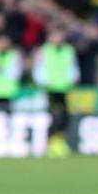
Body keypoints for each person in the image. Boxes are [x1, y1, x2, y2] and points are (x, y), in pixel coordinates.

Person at [31, 25, 79, 153]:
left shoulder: (69, 50)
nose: (58, 38)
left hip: (65, 88)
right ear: (50, 37)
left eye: (60, 35)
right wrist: (43, 82)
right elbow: (38, 68)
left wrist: (73, 79)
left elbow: (73, 67)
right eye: (56, 36)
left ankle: (60, 142)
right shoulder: (44, 51)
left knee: (66, 117)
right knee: (54, 117)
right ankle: (50, 143)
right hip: (50, 89)